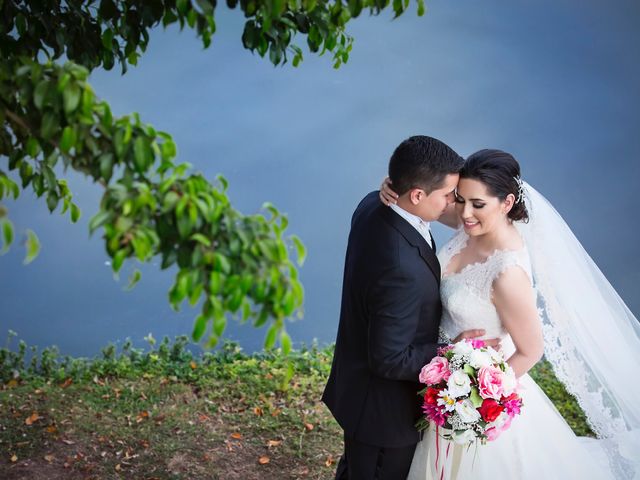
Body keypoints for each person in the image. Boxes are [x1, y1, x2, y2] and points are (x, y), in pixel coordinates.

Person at [380, 149, 640, 479]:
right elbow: (427, 203)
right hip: (445, 377)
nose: (464, 212)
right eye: (460, 199)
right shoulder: (471, 222)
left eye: (477, 204)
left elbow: (532, 350)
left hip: (472, 397)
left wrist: (475, 397)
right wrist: (398, 190)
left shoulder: (508, 274)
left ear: (506, 203)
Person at [322, 136, 501, 480]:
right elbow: (389, 357)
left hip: (358, 391)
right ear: (417, 195)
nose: (455, 204)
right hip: (382, 416)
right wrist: (454, 354)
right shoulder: (400, 267)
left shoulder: (373, 204)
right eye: (449, 196)